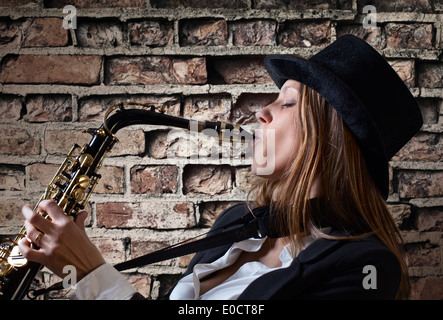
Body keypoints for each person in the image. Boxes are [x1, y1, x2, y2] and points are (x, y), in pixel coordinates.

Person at [19, 34, 422, 300]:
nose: (262, 112)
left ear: (332, 136)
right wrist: (75, 268)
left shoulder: (368, 269)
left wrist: (88, 271)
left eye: (286, 102)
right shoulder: (236, 223)